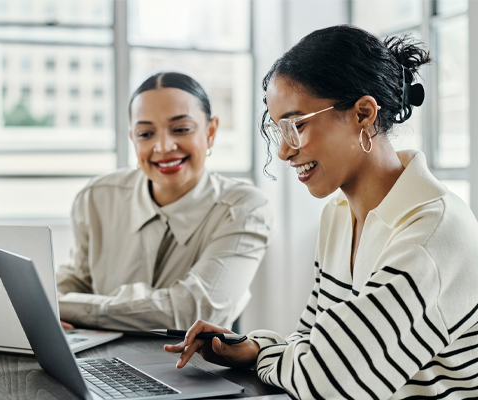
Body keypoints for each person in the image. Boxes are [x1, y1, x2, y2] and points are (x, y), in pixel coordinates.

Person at [165, 25, 478, 399]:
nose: (283, 151)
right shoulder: (339, 215)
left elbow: (327, 382)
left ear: (363, 114)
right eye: (277, 129)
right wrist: (254, 347)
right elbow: (310, 341)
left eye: (296, 125)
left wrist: (266, 352)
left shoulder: (433, 232)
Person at [56, 72, 273, 332]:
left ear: (211, 131)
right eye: (145, 134)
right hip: (102, 361)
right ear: (133, 140)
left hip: (194, 368)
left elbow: (194, 313)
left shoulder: (244, 207)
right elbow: (77, 281)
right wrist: (45, 304)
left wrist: (66, 306)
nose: (163, 146)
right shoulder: (96, 197)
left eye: (181, 129)